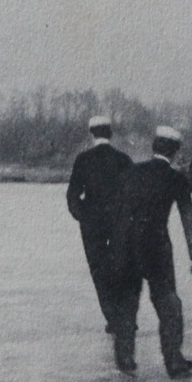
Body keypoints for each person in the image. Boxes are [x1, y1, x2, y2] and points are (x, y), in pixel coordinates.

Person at [111, 126, 192, 378]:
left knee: (127, 304)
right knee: (168, 304)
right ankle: (174, 361)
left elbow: (116, 213)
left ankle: (125, 358)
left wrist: (114, 249)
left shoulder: (130, 173)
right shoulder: (176, 179)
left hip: (126, 248)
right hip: (156, 249)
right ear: (175, 152)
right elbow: (188, 219)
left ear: (154, 147)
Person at [66, 116, 134, 335]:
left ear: (91, 133)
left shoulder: (83, 159)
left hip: (92, 224)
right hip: (119, 222)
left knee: (99, 271)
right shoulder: (123, 159)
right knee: (120, 268)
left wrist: (82, 216)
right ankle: (124, 316)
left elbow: (72, 195)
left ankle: (112, 317)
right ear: (110, 134)